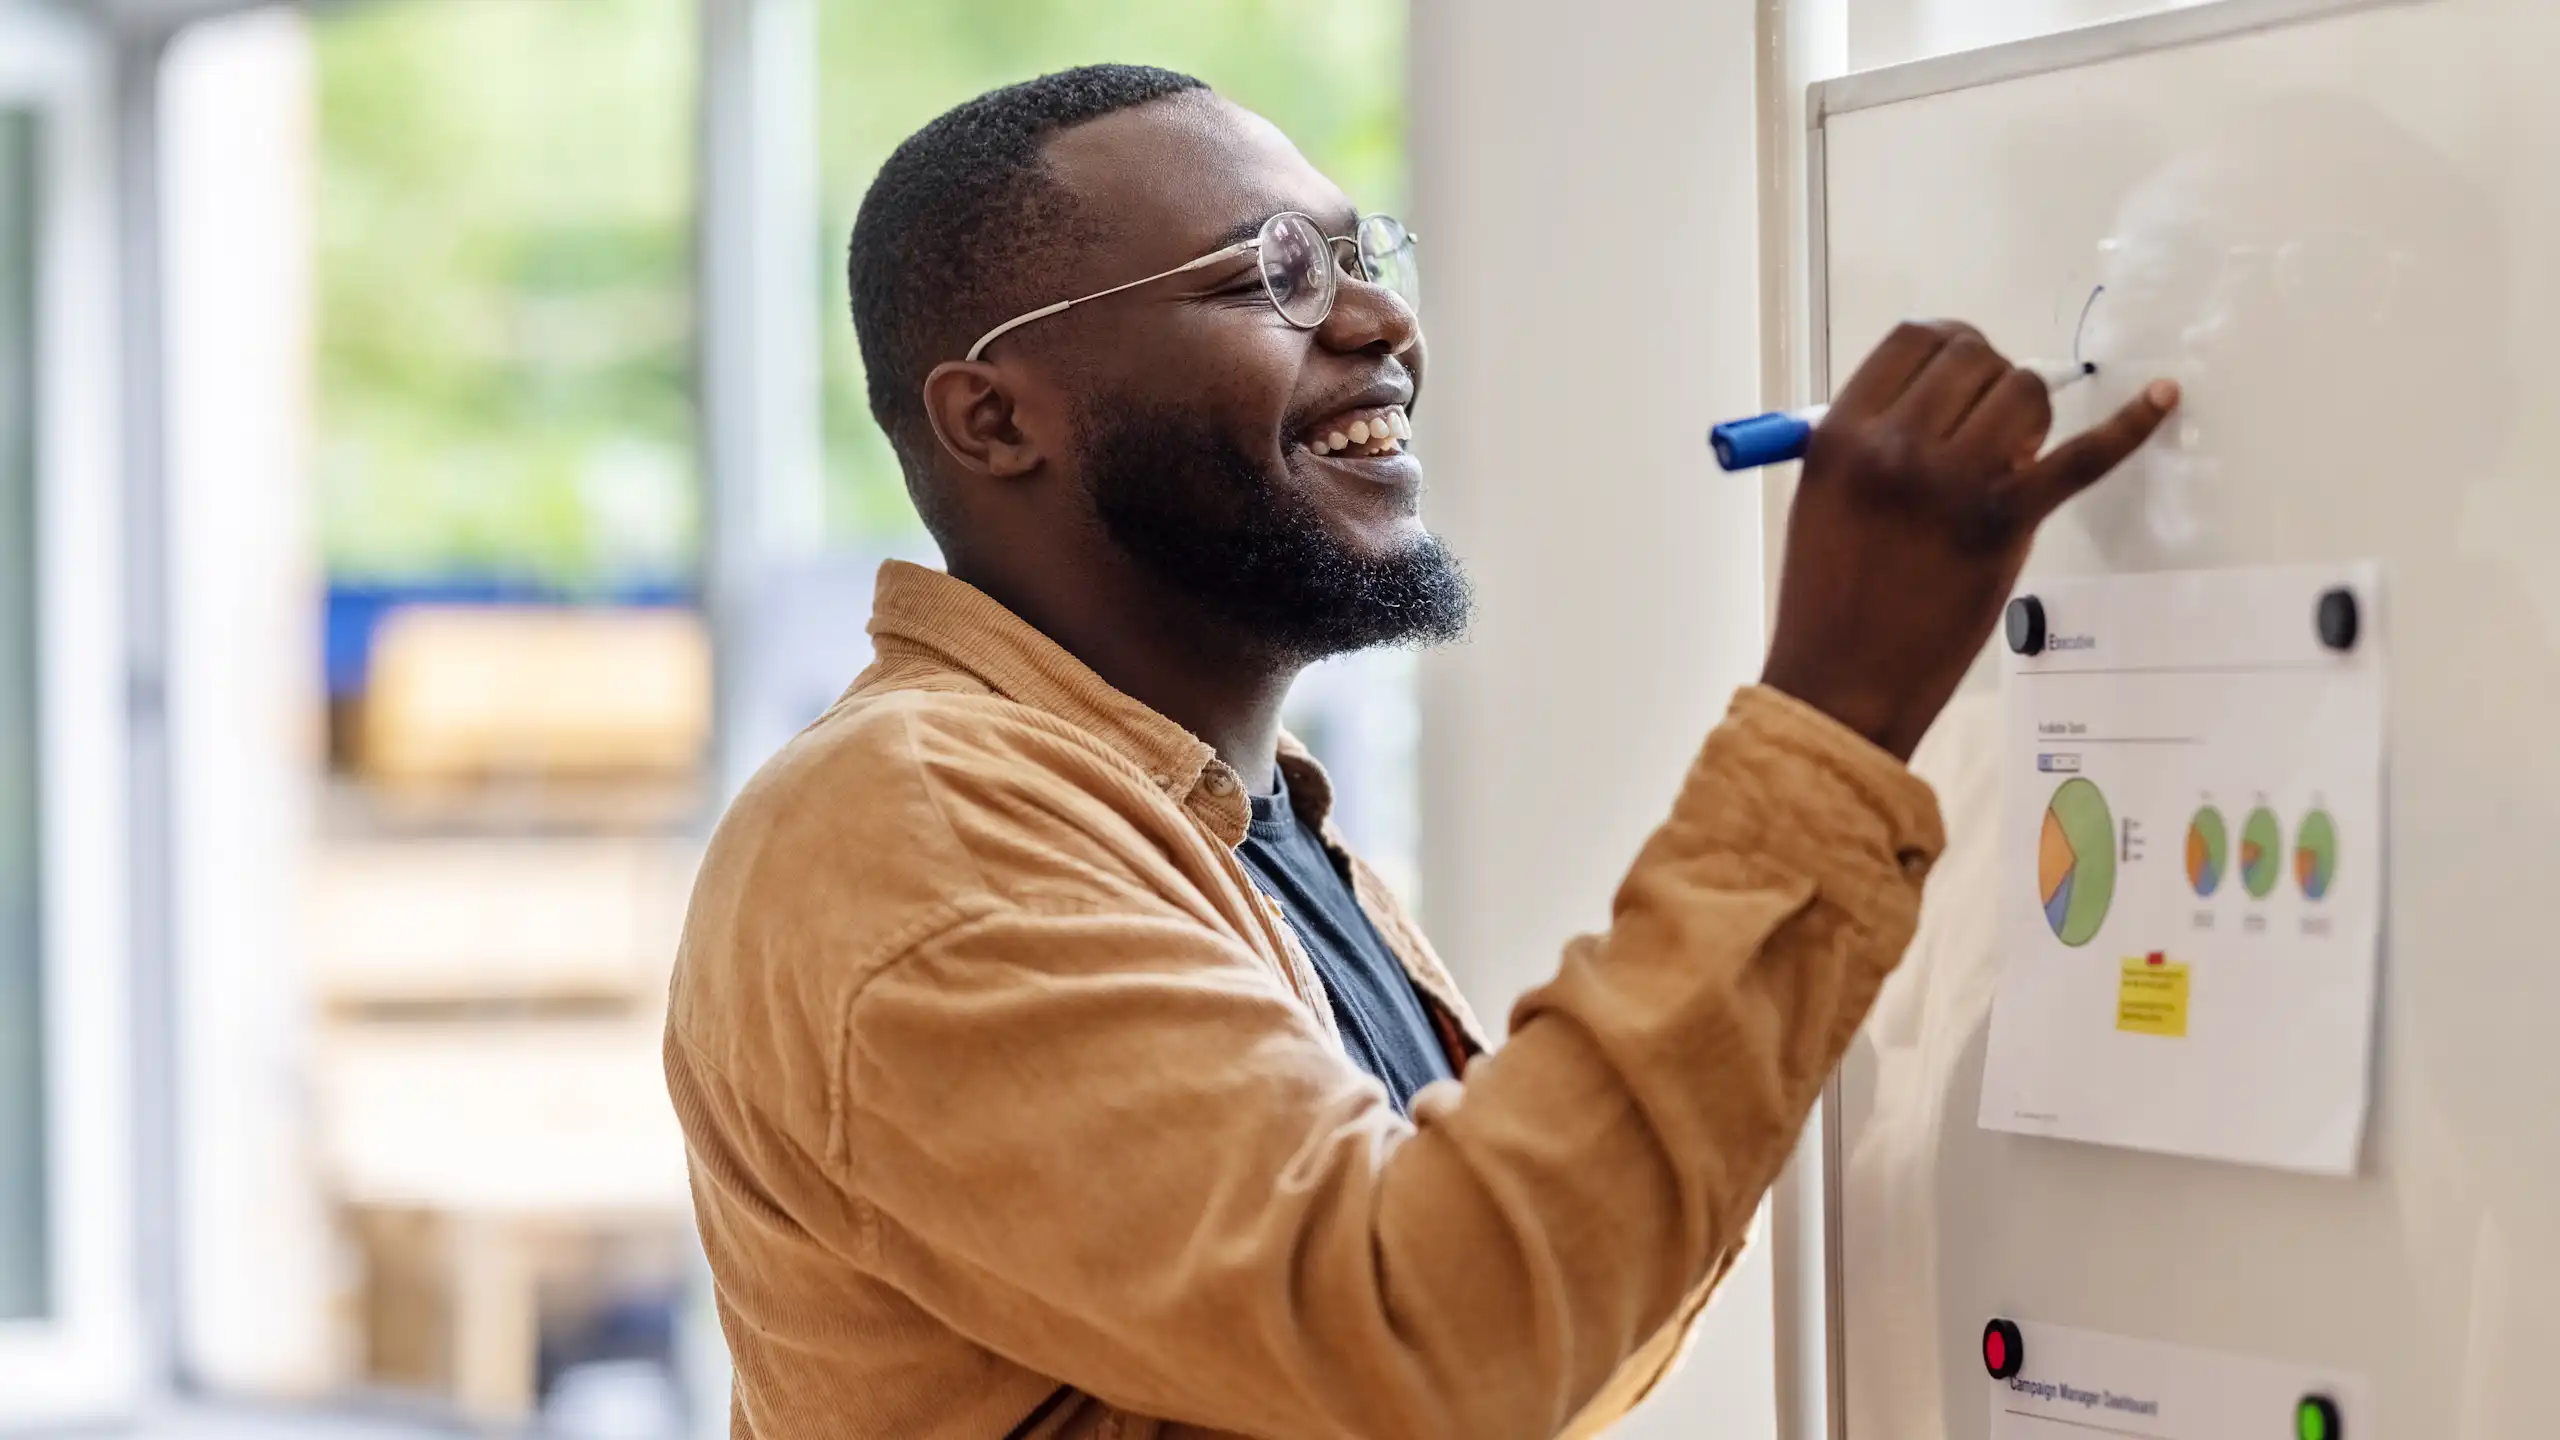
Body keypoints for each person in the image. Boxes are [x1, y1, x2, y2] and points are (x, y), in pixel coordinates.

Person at [663, 63, 2177, 1440]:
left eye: (1362, 257)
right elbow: (1435, 1330)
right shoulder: (914, 828)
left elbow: (1551, 1320)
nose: (1382, 324)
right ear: (996, 418)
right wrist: (1836, 710)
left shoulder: (1235, 826)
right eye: (1277, 273)